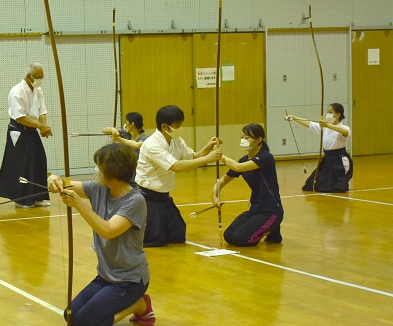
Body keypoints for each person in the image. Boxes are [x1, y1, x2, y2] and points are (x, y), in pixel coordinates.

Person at [47, 143, 154, 326]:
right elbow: (65, 185)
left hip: (129, 280)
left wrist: (79, 204)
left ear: (113, 171)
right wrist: (54, 179)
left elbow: (108, 230)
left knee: (86, 323)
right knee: (70, 316)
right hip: (105, 276)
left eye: (99, 166)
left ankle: (138, 305)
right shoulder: (99, 188)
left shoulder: (135, 201)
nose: (95, 170)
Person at [135, 105, 221, 247]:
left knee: (178, 235)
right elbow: (176, 166)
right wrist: (207, 159)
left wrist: (207, 148)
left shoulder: (176, 140)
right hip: (148, 197)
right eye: (177, 126)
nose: (180, 128)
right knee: (156, 240)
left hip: (164, 197)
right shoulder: (152, 144)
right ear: (164, 126)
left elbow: (192, 157)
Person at [213, 124, 284, 247]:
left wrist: (221, 156)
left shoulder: (265, 157)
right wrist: (215, 195)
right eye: (242, 137)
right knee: (229, 235)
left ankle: (270, 229)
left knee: (240, 239)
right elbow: (223, 180)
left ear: (259, 140)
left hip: (271, 210)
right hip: (255, 209)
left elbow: (238, 167)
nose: (243, 140)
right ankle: (268, 228)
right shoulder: (244, 159)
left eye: (247, 138)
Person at [0, 63, 52, 209]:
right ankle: (22, 199)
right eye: (37, 77)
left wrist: (44, 127)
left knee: (39, 161)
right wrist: (40, 126)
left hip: (32, 129)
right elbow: (20, 117)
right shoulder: (16, 91)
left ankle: (38, 196)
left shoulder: (38, 91)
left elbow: (42, 111)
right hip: (19, 130)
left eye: (42, 77)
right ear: (28, 76)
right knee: (22, 165)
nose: (40, 80)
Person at [284, 103, 353, 193]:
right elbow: (308, 123)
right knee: (311, 185)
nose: (328, 114)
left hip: (339, 161)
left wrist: (327, 125)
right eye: (327, 112)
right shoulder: (324, 128)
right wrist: (294, 117)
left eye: (330, 112)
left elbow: (345, 132)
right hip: (327, 160)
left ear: (338, 115)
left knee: (334, 187)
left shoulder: (344, 127)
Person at [103, 111, 149, 186]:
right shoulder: (125, 133)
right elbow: (105, 130)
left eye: (127, 122)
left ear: (132, 124)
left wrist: (119, 139)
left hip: (138, 174)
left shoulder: (145, 138)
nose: (125, 124)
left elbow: (136, 145)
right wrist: (113, 130)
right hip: (126, 172)